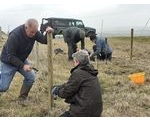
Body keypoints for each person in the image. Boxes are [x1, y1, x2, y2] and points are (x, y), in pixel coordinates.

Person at [0, 18, 53, 100]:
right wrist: (23, 65)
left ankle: (22, 99)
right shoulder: (15, 35)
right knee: (3, 87)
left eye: (35, 32)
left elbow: (44, 40)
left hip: (21, 59)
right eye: (32, 32)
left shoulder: (34, 32)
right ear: (26, 27)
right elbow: (10, 56)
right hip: (8, 61)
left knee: (31, 78)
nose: (34, 34)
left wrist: (48, 32)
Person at [51, 50, 103, 117]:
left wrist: (57, 91)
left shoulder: (78, 73)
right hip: (96, 111)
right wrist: (60, 87)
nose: (73, 64)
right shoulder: (91, 71)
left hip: (83, 112)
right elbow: (71, 85)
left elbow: (67, 92)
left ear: (77, 62)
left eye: (74, 61)